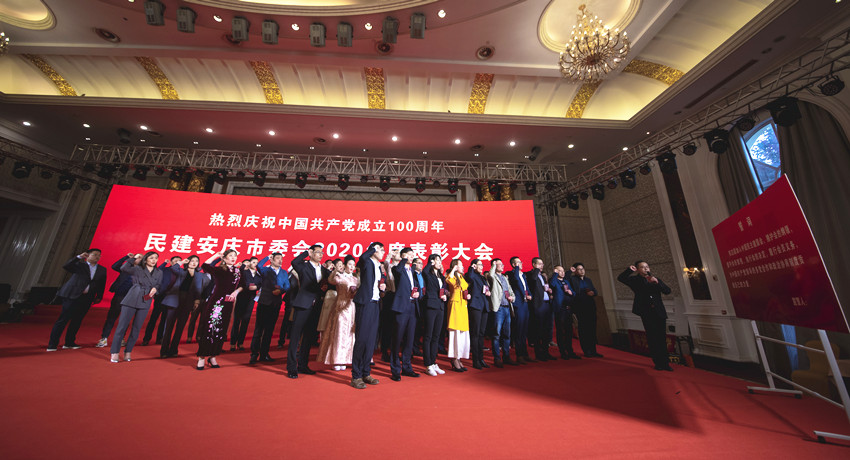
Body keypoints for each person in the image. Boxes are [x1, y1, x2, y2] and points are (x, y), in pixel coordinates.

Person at [617, 261, 673, 371]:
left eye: (647, 267)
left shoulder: (655, 279)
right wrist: (629, 270)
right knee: (652, 338)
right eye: (642, 267)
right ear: (638, 269)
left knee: (662, 338)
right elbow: (621, 278)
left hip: (659, 312)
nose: (646, 269)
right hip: (647, 312)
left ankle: (665, 363)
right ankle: (658, 363)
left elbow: (667, 291)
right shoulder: (635, 280)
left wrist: (657, 282)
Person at [48, 249, 107, 351]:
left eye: (99, 255)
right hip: (72, 296)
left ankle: (69, 342)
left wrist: (99, 296)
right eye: (95, 254)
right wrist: (78, 257)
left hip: (87, 297)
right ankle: (52, 344)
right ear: (87, 255)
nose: (97, 257)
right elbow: (66, 266)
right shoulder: (79, 265)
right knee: (63, 320)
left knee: (77, 321)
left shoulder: (102, 269)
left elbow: (101, 284)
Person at [287, 244, 331, 379]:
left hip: (316, 306)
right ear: (311, 253)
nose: (320, 255)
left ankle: (303, 365)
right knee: (295, 337)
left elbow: (332, 281)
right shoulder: (303, 266)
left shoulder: (324, 270)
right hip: (302, 304)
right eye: (318, 252)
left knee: (308, 337)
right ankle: (291, 367)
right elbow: (294, 262)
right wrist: (307, 252)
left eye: (322, 253)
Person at [110, 251, 162, 362]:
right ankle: (114, 352)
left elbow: (158, 284)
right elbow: (124, 268)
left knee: (136, 328)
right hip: (132, 298)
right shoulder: (137, 268)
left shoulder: (159, 272)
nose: (154, 260)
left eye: (156, 258)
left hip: (146, 300)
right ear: (145, 259)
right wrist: (133, 258)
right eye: (151, 258)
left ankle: (128, 351)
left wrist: (155, 289)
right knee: (122, 327)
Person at [196, 250, 243, 370]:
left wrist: (236, 292)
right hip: (216, 303)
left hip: (228, 303)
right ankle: (201, 357)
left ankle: (213, 356)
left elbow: (243, 284)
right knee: (209, 328)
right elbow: (205, 265)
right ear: (225, 258)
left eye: (235, 256)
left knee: (221, 330)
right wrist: (216, 255)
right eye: (230, 256)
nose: (233, 258)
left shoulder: (237, 271)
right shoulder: (219, 269)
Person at [350, 242, 386, 389]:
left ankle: (366, 372)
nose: (383, 252)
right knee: (362, 339)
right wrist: (372, 249)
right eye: (380, 249)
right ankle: (356, 376)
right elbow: (362, 258)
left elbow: (378, 282)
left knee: (371, 340)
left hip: (375, 303)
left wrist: (382, 287)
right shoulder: (367, 262)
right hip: (365, 303)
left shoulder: (378, 266)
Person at [160, 255, 210, 358]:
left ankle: (174, 350)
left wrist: (197, 300)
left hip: (188, 302)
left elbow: (198, 288)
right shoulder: (181, 271)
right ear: (188, 262)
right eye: (192, 261)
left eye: (196, 261)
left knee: (180, 327)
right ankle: (164, 351)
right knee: (169, 327)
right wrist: (182, 262)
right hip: (174, 300)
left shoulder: (199, 275)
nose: (194, 263)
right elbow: (173, 268)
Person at [317, 255, 359, 371]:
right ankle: (336, 359)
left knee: (350, 333)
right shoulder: (340, 276)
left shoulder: (355, 279)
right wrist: (335, 270)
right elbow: (331, 280)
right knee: (339, 332)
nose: (352, 267)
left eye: (353, 265)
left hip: (351, 307)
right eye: (349, 264)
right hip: (340, 307)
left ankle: (345, 358)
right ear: (345, 265)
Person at [250, 253, 290, 363]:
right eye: (277, 258)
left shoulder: (284, 272)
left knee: (269, 330)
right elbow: (259, 265)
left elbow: (287, 286)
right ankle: (254, 354)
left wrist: (281, 291)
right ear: (272, 260)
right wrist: (267, 257)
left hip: (275, 304)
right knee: (258, 330)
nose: (280, 261)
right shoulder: (266, 270)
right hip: (264, 302)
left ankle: (264, 354)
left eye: (281, 259)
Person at [388, 248, 421, 381]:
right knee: (397, 339)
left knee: (409, 339)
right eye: (409, 254)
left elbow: (417, 286)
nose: (412, 257)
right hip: (401, 308)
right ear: (403, 256)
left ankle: (407, 367)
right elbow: (397, 269)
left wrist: (418, 293)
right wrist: (403, 259)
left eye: (413, 255)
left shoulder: (412, 271)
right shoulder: (398, 269)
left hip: (412, 307)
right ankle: (395, 369)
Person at [96, 254, 136, 348]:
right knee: (112, 317)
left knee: (126, 319)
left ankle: (121, 338)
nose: (138, 259)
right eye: (136, 257)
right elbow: (115, 266)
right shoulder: (125, 268)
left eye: (140, 258)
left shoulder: (142, 271)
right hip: (119, 295)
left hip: (131, 298)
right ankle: (104, 338)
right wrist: (126, 258)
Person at [142, 256, 181, 346]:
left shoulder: (181, 272)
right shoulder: (165, 270)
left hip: (170, 298)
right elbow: (156, 271)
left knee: (164, 320)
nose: (177, 263)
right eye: (175, 261)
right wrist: (164, 263)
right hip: (160, 296)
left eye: (179, 261)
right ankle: (146, 338)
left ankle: (160, 339)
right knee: (153, 318)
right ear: (171, 262)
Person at [421, 254, 448, 376]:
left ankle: (433, 362)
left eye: (440, 260)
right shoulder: (428, 273)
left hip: (440, 306)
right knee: (428, 335)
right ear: (432, 261)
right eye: (437, 260)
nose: (439, 262)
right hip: (431, 306)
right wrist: (430, 263)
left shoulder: (441, 276)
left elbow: (442, 289)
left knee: (436, 336)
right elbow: (424, 271)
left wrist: (444, 295)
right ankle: (428, 364)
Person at [568, 263, 603, 358]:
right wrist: (570, 271)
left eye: (582, 269)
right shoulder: (573, 279)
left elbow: (595, 291)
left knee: (592, 329)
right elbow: (568, 282)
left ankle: (593, 350)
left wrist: (593, 293)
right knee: (584, 329)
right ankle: (586, 350)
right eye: (579, 269)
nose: (582, 271)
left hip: (590, 306)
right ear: (575, 271)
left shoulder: (588, 280)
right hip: (580, 307)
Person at [487, 258, 516, 367]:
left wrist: (512, 298)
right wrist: (494, 265)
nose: (502, 266)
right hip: (498, 308)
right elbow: (490, 275)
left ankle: (506, 357)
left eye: (503, 264)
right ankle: (497, 358)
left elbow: (510, 291)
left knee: (507, 334)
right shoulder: (492, 277)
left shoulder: (504, 278)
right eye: (500, 264)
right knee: (496, 334)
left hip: (507, 307)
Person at [527, 257, 555, 361]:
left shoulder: (542, 276)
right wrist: (536, 270)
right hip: (538, 305)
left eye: (542, 264)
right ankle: (539, 353)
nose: (541, 266)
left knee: (546, 330)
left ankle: (546, 352)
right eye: (539, 264)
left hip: (547, 304)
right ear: (534, 265)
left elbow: (544, 288)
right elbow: (533, 280)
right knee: (538, 330)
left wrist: (549, 291)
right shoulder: (531, 274)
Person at [550, 265, 580, 360]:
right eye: (560, 271)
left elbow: (573, 292)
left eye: (563, 271)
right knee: (561, 331)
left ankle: (570, 350)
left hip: (568, 309)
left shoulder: (566, 281)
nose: (562, 272)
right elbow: (552, 284)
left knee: (569, 331)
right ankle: (562, 352)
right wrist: (555, 274)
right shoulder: (555, 281)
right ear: (556, 271)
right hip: (560, 309)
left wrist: (572, 293)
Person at [231, 256, 261, 351]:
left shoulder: (259, 274)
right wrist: (244, 265)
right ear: (249, 263)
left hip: (251, 299)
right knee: (236, 321)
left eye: (257, 263)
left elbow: (261, 284)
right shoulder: (244, 272)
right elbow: (240, 271)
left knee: (245, 322)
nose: (255, 264)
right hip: (242, 298)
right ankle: (233, 343)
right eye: (253, 262)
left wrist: (256, 287)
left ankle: (240, 343)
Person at [465, 258, 491, 369]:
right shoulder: (471, 275)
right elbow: (469, 277)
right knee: (475, 334)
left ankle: (481, 358)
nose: (482, 267)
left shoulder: (482, 277)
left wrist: (488, 292)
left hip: (484, 306)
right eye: (479, 265)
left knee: (481, 334)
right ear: (474, 266)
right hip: (475, 306)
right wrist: (471, 268)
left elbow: (485, 289)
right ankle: (475, 360)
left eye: (482, 265)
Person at [446, 259, 471, 372]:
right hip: (455, 306)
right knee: (455, 333)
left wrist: (468, 295)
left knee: (462, 334)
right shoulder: (452, 276)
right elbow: (448, 280)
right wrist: (453, 270)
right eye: (460, 265)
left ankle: (459, 357)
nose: (463, 267)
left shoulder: (461, 277)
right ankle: (454, 358)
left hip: (463, 306)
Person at [508, 257, 532, 364]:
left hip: (525, 303)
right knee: (519, 330)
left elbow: (526, 288)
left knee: (524, 330)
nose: (521, 264)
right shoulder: (513, 274)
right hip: (518, 304)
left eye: (521, 262)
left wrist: (530, 295)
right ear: (513, 265)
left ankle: (525, 353)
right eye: (518, 263)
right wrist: (517, 268)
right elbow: (516, 280)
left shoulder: (522, 275)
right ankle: (519, 355)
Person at [317, 259, 343, 336]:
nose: (341, 266)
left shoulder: (344, 275)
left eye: (342, 264)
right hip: (330, 297)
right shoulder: (329, 274)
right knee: (326, 318)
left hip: (339, 298)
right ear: (334, 266)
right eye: (339, 265)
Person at [186, 271, 214, 343]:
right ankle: (189, 337)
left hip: (207, 301)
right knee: (193, 319)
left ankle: (199, 336)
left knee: (203, 320)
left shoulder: (214, 277)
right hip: (198, 300)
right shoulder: (200, 275)